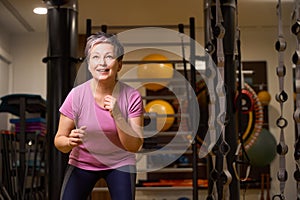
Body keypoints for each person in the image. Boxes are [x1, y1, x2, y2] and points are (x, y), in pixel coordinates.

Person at [54, 32, 144, 200]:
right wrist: (69, 141)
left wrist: (118, 115)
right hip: (82, 162)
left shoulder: (131, 96)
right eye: (95, 57)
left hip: (120, 162)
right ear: (88, 64)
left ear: (119, 64)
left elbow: (134, 146)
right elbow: (59, 140)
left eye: (109, 57)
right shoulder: (77, 95)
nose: (102, 63)